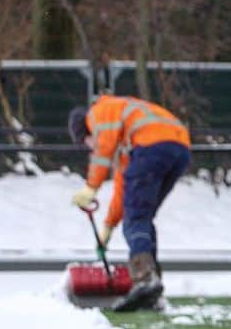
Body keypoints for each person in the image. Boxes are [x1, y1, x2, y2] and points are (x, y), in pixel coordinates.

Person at [68, 95, 191, 312]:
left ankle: (145, 279)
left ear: (84, 130)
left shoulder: (98, 113)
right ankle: (153, 285)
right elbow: (122, 187)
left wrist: (91, 187)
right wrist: (108, 226)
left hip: (152, 147)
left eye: (85, 142)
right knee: (141, 217)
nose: (90, 147)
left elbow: (101, 151)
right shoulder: (126, 135)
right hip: (178, 149)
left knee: (135, 218)